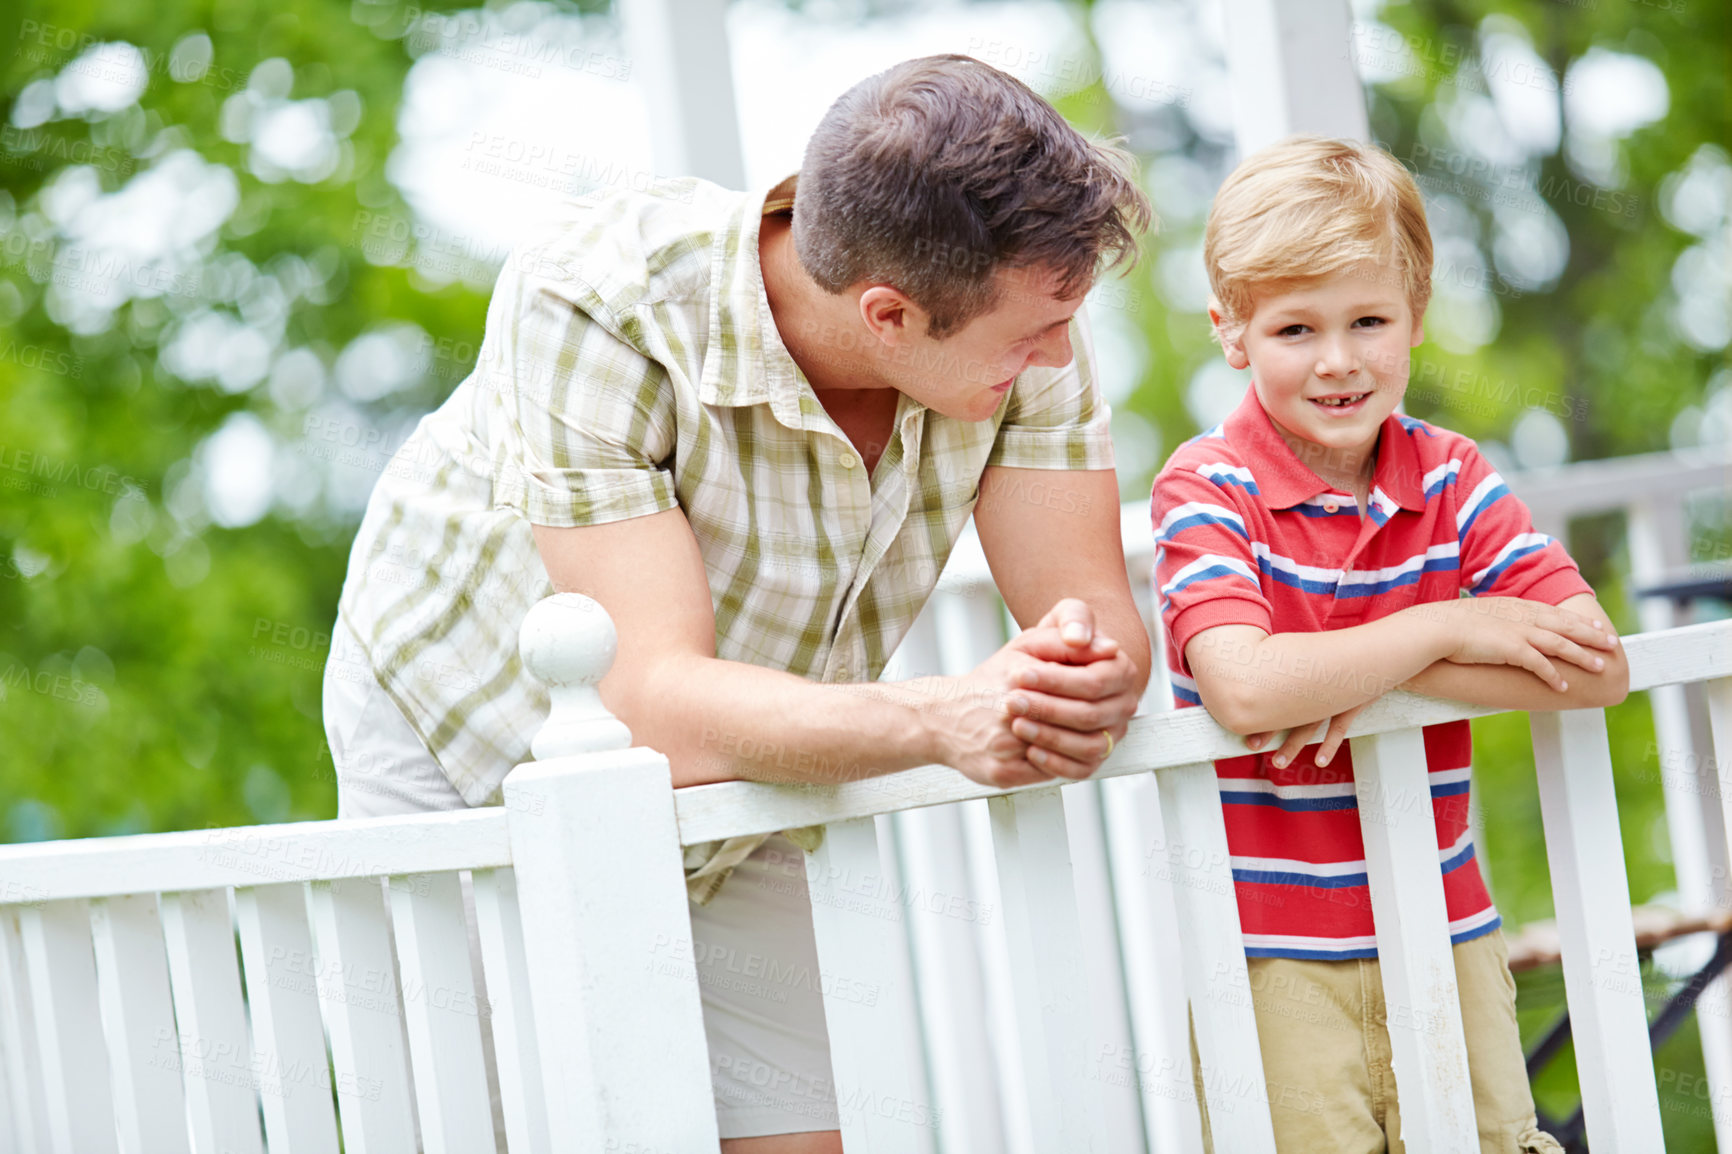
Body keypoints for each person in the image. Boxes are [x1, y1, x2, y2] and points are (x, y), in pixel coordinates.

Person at [323, 54, 1153, 1151]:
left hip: (755, 746)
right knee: (478, 1125)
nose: (1059, 353)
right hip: (460, 735)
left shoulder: (1022, 307)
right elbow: (652, 704)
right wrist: (942, 718)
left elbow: (1091, 620)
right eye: (1031, 336)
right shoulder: (598, 297)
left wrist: (1079, 678)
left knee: (796, 1132)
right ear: (889, 313)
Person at [1150, 135, 1627, 1154]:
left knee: (1494, 1139)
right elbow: (1242, 683)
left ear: (1414, 315)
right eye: (1294, 327)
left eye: (1368, 319)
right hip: (1272, 952)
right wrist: (1444, 622)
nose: (1338, 358)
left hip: (1446, 925)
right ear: (1230, 331)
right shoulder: (1204, 488)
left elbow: (1597, 664)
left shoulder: (1450, 476)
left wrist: (1356, 667)